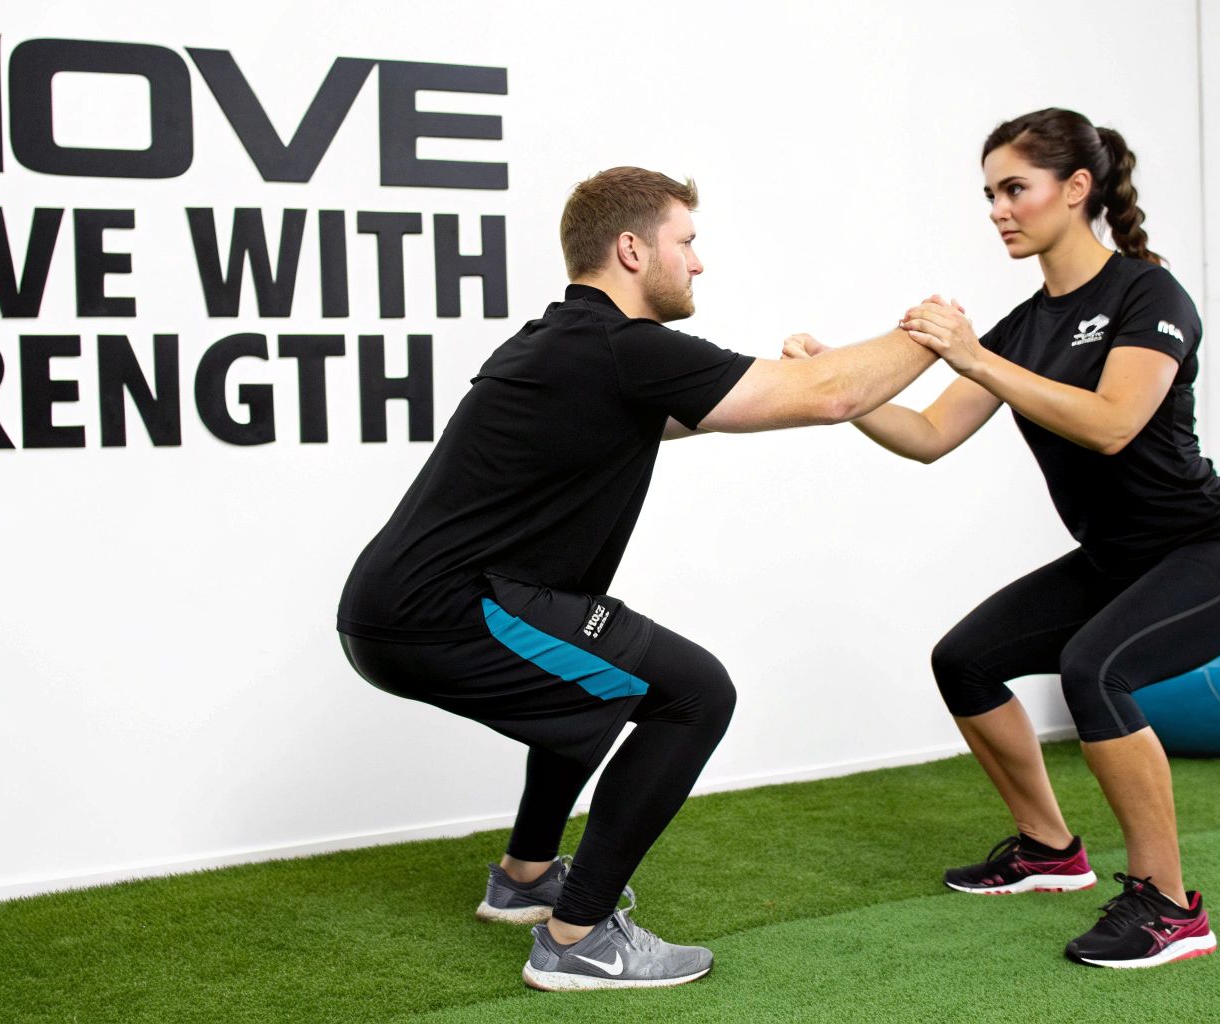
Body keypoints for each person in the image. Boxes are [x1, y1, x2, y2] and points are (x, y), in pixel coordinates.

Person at [337, 166, 937, 990]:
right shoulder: (621, 348)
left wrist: (799, 379)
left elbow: (748, 403)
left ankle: (525, 879)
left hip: (416, 602)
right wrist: (935, 333)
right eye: (686, 243)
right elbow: (830, 396)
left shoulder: (567, 342)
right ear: (631, 248)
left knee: (597, 670)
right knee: (696, 694)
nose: (698, 264)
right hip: (445, 610)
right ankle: (577, 937)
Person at [802, 108, 1220, 969]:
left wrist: (975, 357)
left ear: (1078, 188)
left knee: (1098, 668)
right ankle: (1049, 850)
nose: (998, 209)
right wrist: (837, 387)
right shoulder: (1027, 326)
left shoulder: (1147, 294)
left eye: (1015, 188)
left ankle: (1170, 907)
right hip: (1117, 560)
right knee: (965, 659)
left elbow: (1111, 424)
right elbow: (929, 436)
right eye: (990, 193)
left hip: (1212, 551)